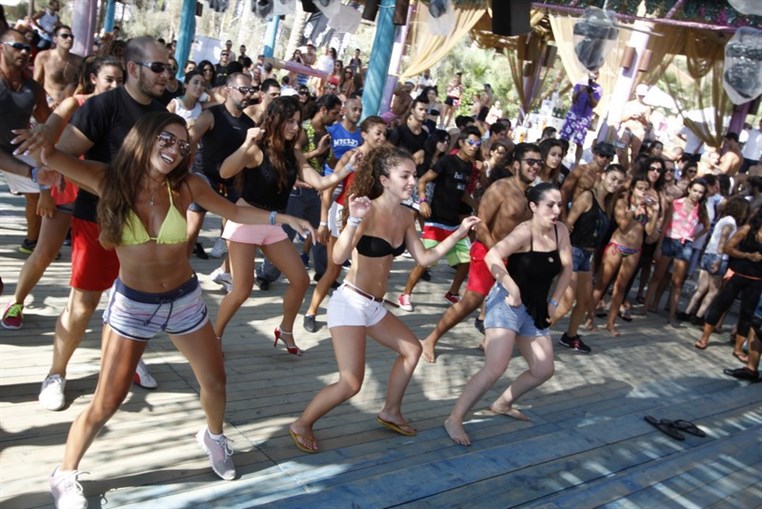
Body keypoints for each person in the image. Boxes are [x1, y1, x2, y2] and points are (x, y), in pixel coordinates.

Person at [38, 112, 314, 507]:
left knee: (215, 381)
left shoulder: (187, 186)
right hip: (132, 307)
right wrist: (45, 129)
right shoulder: (109, 179)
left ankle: (214, 437)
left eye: (183, 146)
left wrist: (280, 217)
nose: (174, 150)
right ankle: (64, 474)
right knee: (108, 400)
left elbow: (235, 212)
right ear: (145, 137)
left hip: (184, 301)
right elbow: (49, 154)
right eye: (166, 139)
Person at [288, 145, 480, 453]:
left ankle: (390, 411)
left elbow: (425, 258)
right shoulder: (366, 209)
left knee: (412, 350)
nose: (412, 181)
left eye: (414, 175)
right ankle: (302, 423)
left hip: (374, 306)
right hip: (350, 302)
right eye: (405, 176)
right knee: (351, 383)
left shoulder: (405, 216)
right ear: (384, 180)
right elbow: (337, 256)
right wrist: (353, 220)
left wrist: (458, 234)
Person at [213, 96, 353, 354]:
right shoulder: (256, 149)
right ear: (275, 120)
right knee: (241, 290)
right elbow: (224, 173)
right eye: (290, 121)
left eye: (298, 122)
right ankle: (215, 337)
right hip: (246, 221)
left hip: (273, 223)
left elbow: (321, 182)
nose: (295, 127)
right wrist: (245, 144)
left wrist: (346, 169)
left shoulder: (293, 154)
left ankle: (285, 330)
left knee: (300, 280)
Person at [444, 182, 572, 446]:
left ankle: (502, 403)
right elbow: (492, 256)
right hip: (506, 303)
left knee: (543, 369)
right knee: (495, 366)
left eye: (560, 205)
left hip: (535, 307)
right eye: (550, 205)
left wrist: (554, 302)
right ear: (533, 206)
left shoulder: (560, 231)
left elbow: (567, 269)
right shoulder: (524, 231)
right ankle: (454, 418)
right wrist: (512, 287)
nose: (557, 210)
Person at [2, 56, 123, 331]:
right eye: (109, 79)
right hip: (63, 189)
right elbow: (43, 146)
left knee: (110, 260)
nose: (115, 85)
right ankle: (16, 302)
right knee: (44, 252)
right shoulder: (74, 103)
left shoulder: (122, 109)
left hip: (102, 196)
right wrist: (44, 192)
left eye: (120, 80)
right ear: (93, 78)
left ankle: (117, 318)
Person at [420, 143, 540, 363]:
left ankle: (489, 341)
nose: (535, 166)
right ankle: (431, 339)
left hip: (513, 258)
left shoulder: (532, 195)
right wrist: (496, 252)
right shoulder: (500, 188)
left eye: (538, 163)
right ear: (516, 164)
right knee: (471, 302)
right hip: (487, 251)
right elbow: (481, 225)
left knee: (510, 302)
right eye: (530, 162)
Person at [303, 115, 386, 333]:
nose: (382, 137)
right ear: (364, 134)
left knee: (366, 267)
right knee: (333, 269)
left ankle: (361, 313)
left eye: (384, 133)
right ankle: (311, 311)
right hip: (341, 213)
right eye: (378, 133)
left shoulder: (382, 161)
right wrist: (323, 222)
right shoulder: (351, 156)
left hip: (368, 217)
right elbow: (328, 190)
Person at [397, 126, 481, 312]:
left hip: (454, 223)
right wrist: (423, 201)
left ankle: (452, 293)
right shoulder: (447, 161)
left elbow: (462, 193)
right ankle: (405, 294)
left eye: (478, 143)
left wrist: (478, 206)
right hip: (436, 220)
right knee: (425, 262)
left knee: (466, 260)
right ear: (461, 143)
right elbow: (423, 180)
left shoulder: (469, 167)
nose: (474, 146)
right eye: (471, 142)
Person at [552, 164, 625, 351]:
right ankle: (532, 332)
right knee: (565, 303)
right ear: (603, 175)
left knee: (583, 302)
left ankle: (570, 336)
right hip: (574, 252)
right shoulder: (587, 196)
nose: (615, 184)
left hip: (587, 257)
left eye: (619, 182)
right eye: (613, 178)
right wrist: (563, 253)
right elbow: (567, 224)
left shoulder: (608, 203)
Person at [0, 28, 51, 257]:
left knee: (40, 191)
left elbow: (48, 124)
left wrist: (42, 131)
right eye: (18, 47)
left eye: (27, 49)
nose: (24, 52)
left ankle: (32, 242)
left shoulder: (34, 89)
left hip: (16, 149)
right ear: (2, 48)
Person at [587, 175, 658, 336]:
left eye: (646, 189)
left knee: (620, 288)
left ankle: (611, 323)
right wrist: (633, 209)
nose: (643, 192)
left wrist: (655, 212)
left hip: (634, 250)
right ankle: (589, 317)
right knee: (602, 283)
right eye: (640, 188)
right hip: (617, 246)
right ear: (633, 188)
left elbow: (649, 231)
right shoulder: (622, 203)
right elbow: (623, 226)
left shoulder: (647, 208)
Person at [695, 208, 762, 355]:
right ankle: (704, 338)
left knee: (747, 314)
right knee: (720, 305)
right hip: (737, 273)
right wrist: (747, 255)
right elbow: (728, 248)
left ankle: (738, 349)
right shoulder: (747, 229)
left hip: (756, 279)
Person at [644, 178, 709, 326]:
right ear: (689, 189)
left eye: (700, 192)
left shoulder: (701, 209)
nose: (697, 194)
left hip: (685, 244)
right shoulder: (676, 204)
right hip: (669, 239)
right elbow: (665, 225)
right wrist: (659, 246)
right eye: (695, 190)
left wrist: (694, 236)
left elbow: (706, 226)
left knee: (677, 282)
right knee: (657, 276)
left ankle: (671, 316)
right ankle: (645, 307)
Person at [681, 196, 750, 325]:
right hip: (719, 257)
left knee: (701, 288)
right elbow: (723, 240)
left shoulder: (723, 219)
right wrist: (719, 259)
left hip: (708, 253)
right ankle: (699, 315)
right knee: (714, 290)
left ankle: (687, 312)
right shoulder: (730, 223)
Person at [33, 25, 82, 108]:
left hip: (69, 107)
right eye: (64, 36)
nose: (69, 39)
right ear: (55, 39)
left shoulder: (79, 61)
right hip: (49, 106)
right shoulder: (44, 56)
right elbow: (36, 83)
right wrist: (49, 100)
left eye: (71, 37)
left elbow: (81, 85)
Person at [559, 72, 602, 165]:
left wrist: (590, 94)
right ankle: (559, 158)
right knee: (563, 138)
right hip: (573, 114)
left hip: (585, 117)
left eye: (596, 74)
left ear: (598, 76)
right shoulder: (579, 84)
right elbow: (573, 100)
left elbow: (594, 105)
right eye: (592, 73)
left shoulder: (598, 89)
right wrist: (580, 91)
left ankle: (576, 163)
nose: (593, 76)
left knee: (579, 142)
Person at [617, 84, 651, 168]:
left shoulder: (647, 107)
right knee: (620, 149)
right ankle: (622, 167)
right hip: (627, 129)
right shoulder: (629, 104)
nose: (641, 97)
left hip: (638, 131)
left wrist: (642, 118)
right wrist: (630, 116)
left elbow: (647, 124)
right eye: (640, 95)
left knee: (634, 154)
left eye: (643, 96)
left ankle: (629, 170)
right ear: (636, 93)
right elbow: (621, 119)